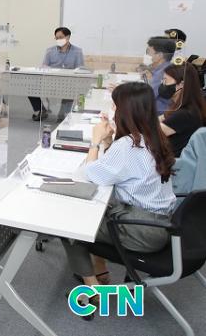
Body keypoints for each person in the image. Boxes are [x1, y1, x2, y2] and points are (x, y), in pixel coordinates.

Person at [61, 82, 176, 319]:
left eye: (114, 105)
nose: (112, 110)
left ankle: (93, 288)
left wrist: (95, 142)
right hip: (162, 224)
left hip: (141, 229)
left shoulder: (128, 146)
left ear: (125, 111)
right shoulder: (153, 137)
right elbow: (121, 168)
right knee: (100, 208)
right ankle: (100, 269)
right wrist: (108, 143)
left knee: (69, 223)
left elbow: (88, 176)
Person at [30, 27, 84, 122]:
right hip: (51, 81)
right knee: (31, 87)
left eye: (61, 37)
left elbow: (80, 68)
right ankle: (41, 110)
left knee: (71, 89)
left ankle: (63, 114)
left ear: (68, 37)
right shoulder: (50, 50)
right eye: (57, 38)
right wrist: (48, 69)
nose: (58, 40)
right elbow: (44, 66)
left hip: (68, 82)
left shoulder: (77, 51)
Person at [159, 63, 206, 157]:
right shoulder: (187, 106)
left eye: (165, 80)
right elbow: (160, 119)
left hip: (174, 163)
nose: (162, 84)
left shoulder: (185, 114)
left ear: (181, 84)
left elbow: (151, 133)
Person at [144, 36, 177, 115]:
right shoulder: (166, 67)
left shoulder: (163, 73)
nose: (146, 55)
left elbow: (147, 97)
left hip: (157, 113)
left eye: (149, 52)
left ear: (159, 55)